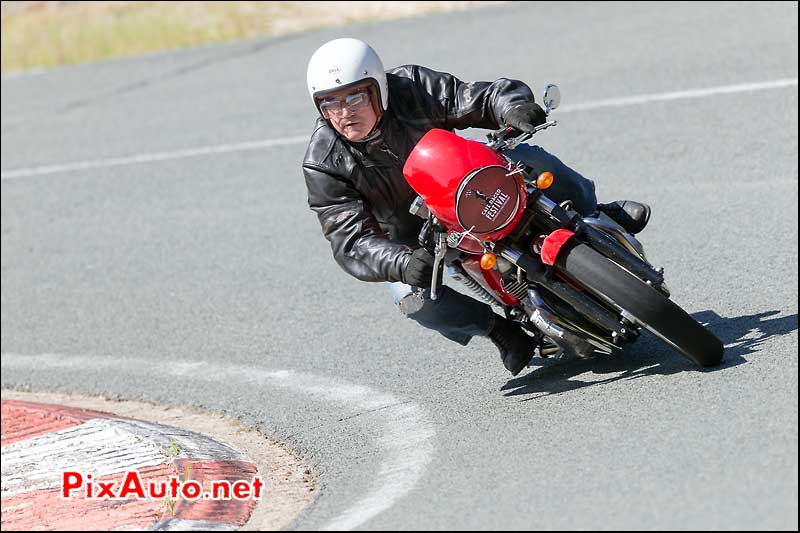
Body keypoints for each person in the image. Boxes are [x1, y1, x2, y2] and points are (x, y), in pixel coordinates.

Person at [302, 38, 650, 376]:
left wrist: (511, 107)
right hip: (419, 235)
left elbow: (475, 96)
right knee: (412, 299)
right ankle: (500, 330)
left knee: (525, 157)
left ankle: (596, 212)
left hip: (466, 179)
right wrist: (405, 262)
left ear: (379, 88)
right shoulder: (323, 162)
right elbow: (350, 240)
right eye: (331, 103)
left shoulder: (412, 86)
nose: (345, 113)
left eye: (355, 96)